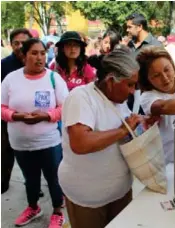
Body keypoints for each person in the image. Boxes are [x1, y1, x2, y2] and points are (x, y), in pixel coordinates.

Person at [58, 47, 156, 228]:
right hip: (89, 197)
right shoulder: (81, 97)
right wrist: (122, 131)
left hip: (119, 192)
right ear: (111, 81)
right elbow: (80, 143)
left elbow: (122, 127)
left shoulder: (118, 101)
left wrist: (142, 123)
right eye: (129, 84)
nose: (133, 91)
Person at [1, 38, 68, 227]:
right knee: (30, 179)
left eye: (42, 53)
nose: (39, 58)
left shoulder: (54, 78)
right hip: (20, 144)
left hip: (49, 142)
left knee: (54, 178)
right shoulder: (11, 79)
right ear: (24, 56)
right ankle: (33, 207)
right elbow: (1, 107)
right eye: (34, 53)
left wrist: (46, 116)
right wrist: (15, 116)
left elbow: (66, 107)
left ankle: (56, 211)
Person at [1, 29, 33, 194]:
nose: (20, 46)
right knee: (6, 152)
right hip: (8, 118)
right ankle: (3, 182)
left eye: (23, 43)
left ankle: (32, 185)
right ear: (10, 44)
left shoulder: (36, 62)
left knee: (30, 154)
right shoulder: (4, 65)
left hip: (33, 119)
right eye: (16, 43)